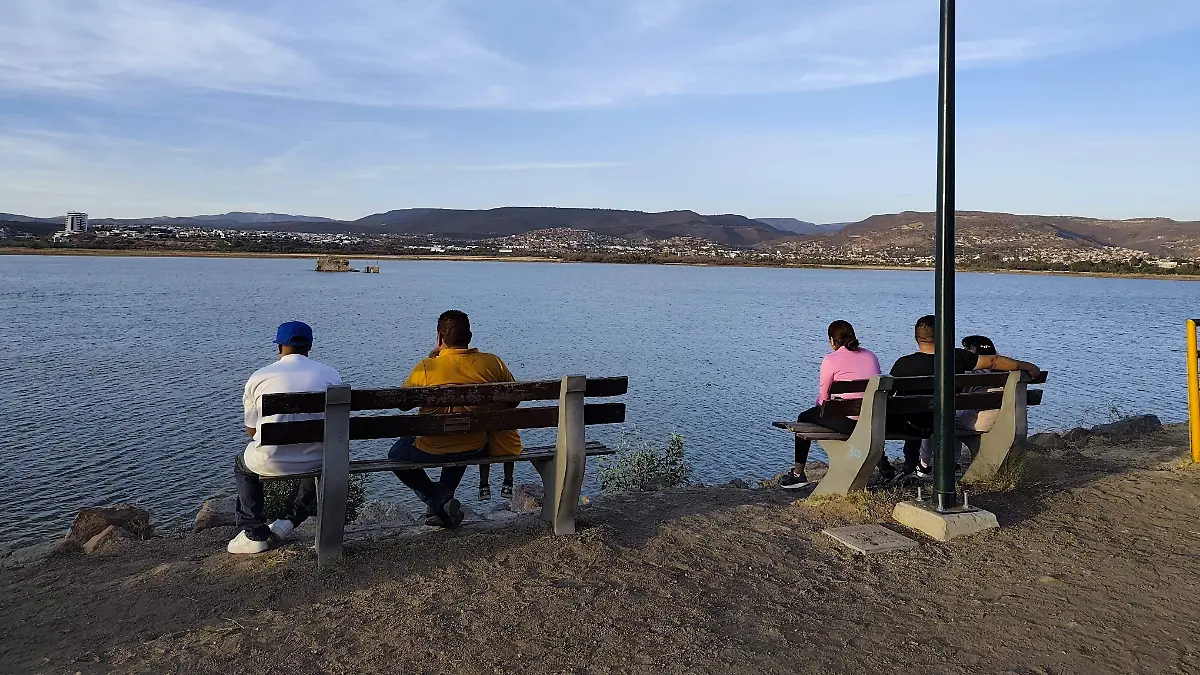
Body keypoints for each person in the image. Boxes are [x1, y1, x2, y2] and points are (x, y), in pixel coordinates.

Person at [390, 310, 522, 528]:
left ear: (439, 338)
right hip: (475, 446)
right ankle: (440, 510)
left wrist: (434, 359)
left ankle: (439, 499)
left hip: (430, 448)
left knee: (395, 456)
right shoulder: (493, 363)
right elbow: (514, 400)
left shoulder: (426, 366)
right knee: (461, 432)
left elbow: (403, 404)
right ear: (469, 337)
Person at [228, 321, 343, 555]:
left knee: (242, 466)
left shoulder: (259, 377)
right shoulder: (331, 375)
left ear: (279, 346)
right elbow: (338, 424)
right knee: (320, 459)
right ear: (309, 346)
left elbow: (251, 431)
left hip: (271, 460)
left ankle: (254, 532)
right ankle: (288, 522)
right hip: (319, 461)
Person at [889, 316, 1040, 479]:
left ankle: (915, 466)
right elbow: (993, 361)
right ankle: (951, 466)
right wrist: (1029, 367)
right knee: (944, 416)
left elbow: (890, 397)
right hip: (945, 420)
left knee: (924, 415)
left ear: (916, 338)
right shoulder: (957, 357)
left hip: (913, 425)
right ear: (942, 335)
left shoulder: (901, 363)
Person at [781, 320, 892, 489]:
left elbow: (823, 398)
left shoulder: (831, 360)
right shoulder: (871, 355)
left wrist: (821, 407)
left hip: (849, 423)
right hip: (873, 421)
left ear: (832, 341)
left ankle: (798, 475)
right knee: (858, 410)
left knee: (803, 417)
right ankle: (883, 464)